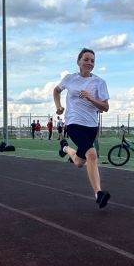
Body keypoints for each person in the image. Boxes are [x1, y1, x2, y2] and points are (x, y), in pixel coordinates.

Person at [53, 48, 111, 209]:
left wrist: (91, 98)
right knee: (91, 154)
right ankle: (98, 193)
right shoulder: (69, 79)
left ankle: (64, 148)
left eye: (92, 60)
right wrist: (58, 106)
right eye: (86, 59)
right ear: (79, 61)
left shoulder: (99, 82)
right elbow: (56, 90)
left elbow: (105, 107)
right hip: (73, 123)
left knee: (79, 162)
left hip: (91, 126)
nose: (89, 63)